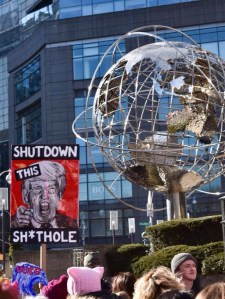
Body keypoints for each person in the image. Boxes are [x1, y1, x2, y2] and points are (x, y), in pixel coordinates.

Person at [11, 160, 78, 229]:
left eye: (51, 189)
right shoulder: (16, 224)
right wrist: (15, 223)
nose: (44, 196)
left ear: (60, 195)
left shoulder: (72, 225)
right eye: (37, 189)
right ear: (25, 196)